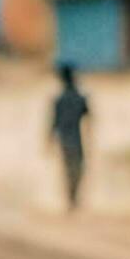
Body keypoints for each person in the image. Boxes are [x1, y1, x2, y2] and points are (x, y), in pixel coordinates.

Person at [48, 64, 91, 209]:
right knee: (77, 168)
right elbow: (89, 118)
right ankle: (73, 197)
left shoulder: (60, 99)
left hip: (65, 139)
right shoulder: (79, 97)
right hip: (75, 138)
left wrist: (49, 140)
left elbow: (53, 123)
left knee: (70, 168)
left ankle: (72, 197)